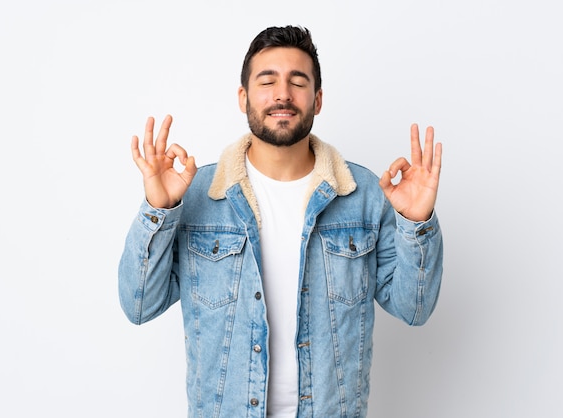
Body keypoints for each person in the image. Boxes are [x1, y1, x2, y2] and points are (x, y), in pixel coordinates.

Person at [119, 25, 443, 418]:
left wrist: (416, 221)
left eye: (298, 81)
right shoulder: (195, 195)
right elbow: (139, 305)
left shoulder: (364, 196)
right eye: (267, 80)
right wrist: (158, 209)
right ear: (243, 97)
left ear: (317, 99)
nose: (282, 94)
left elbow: (415, 308)